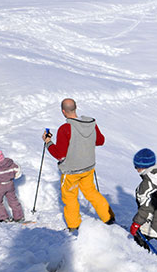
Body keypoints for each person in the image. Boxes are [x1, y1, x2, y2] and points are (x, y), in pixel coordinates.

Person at [43, 98, 115, 231]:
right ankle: (108, 217)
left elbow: (60, 154)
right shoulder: (91, 123)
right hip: (88, 167)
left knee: (70, 198)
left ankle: (74, 225)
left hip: (71, 171)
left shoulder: (65, 129)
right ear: (76, 108)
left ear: (63, 112)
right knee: (92, 192)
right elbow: (100, 141)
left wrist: (48, 142)